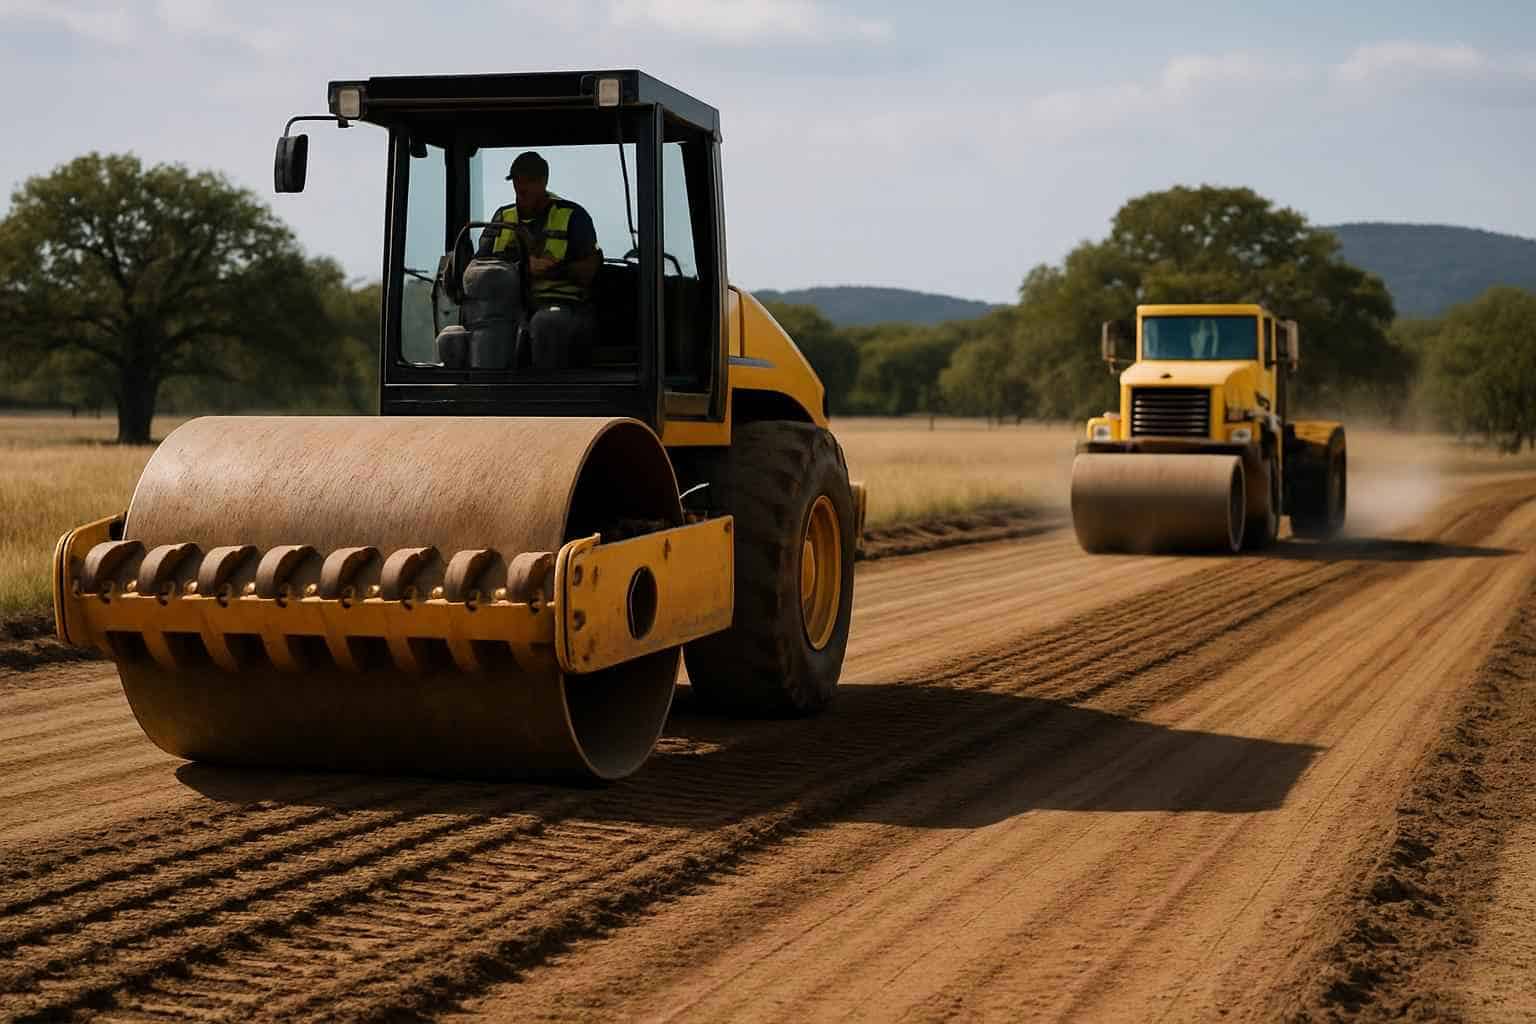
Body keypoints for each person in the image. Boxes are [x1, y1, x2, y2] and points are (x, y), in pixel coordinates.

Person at [477, 151, 602, 369]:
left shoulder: (572, 216)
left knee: (547, 323)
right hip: (506, 309)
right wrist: (522, 266)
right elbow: (479, 268)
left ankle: (549, 399)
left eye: (530, 180)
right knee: (454, 338)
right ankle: (482, 396)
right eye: (517, 179)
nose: (522, 186)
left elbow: (589, 271)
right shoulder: (502, 218)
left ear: (544, 181)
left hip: (562, 307)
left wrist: (552, 270)